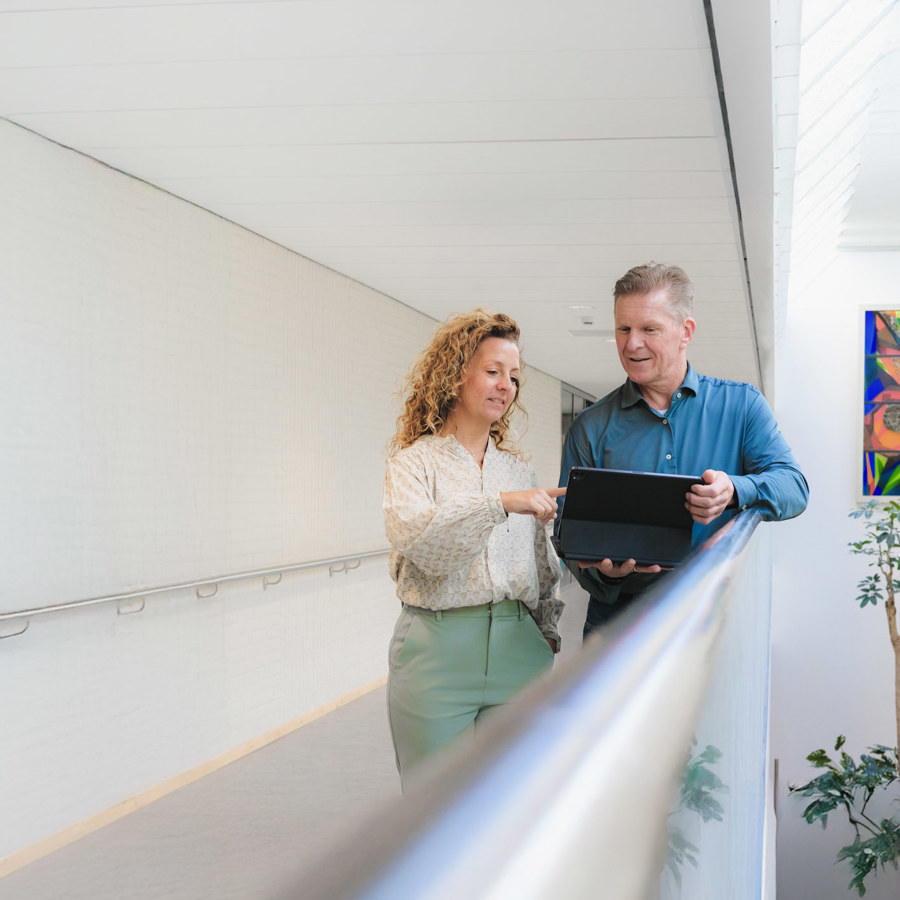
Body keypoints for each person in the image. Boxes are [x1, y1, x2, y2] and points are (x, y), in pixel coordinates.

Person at [559, 262, 809, 636]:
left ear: (685, 331)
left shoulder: (741, 406)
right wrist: (603, 573)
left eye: (649, 329)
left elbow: (794, 487)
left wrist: (735, 490)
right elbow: (568, 536)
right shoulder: (591, 428)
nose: (631, 344)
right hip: (618, 631)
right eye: (623, 329)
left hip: (710, 626)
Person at [384, 309, 565, 787]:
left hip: (518, 651)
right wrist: (499, 505)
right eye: (492, 371)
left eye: (513, 377)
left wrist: (545, 632)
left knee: (514, 806)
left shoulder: (518, 472)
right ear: (455, 374)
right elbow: (426, 544)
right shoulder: (413, 465)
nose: (505, 385)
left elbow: (542, 567)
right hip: (437, 657)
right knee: (432, 814)